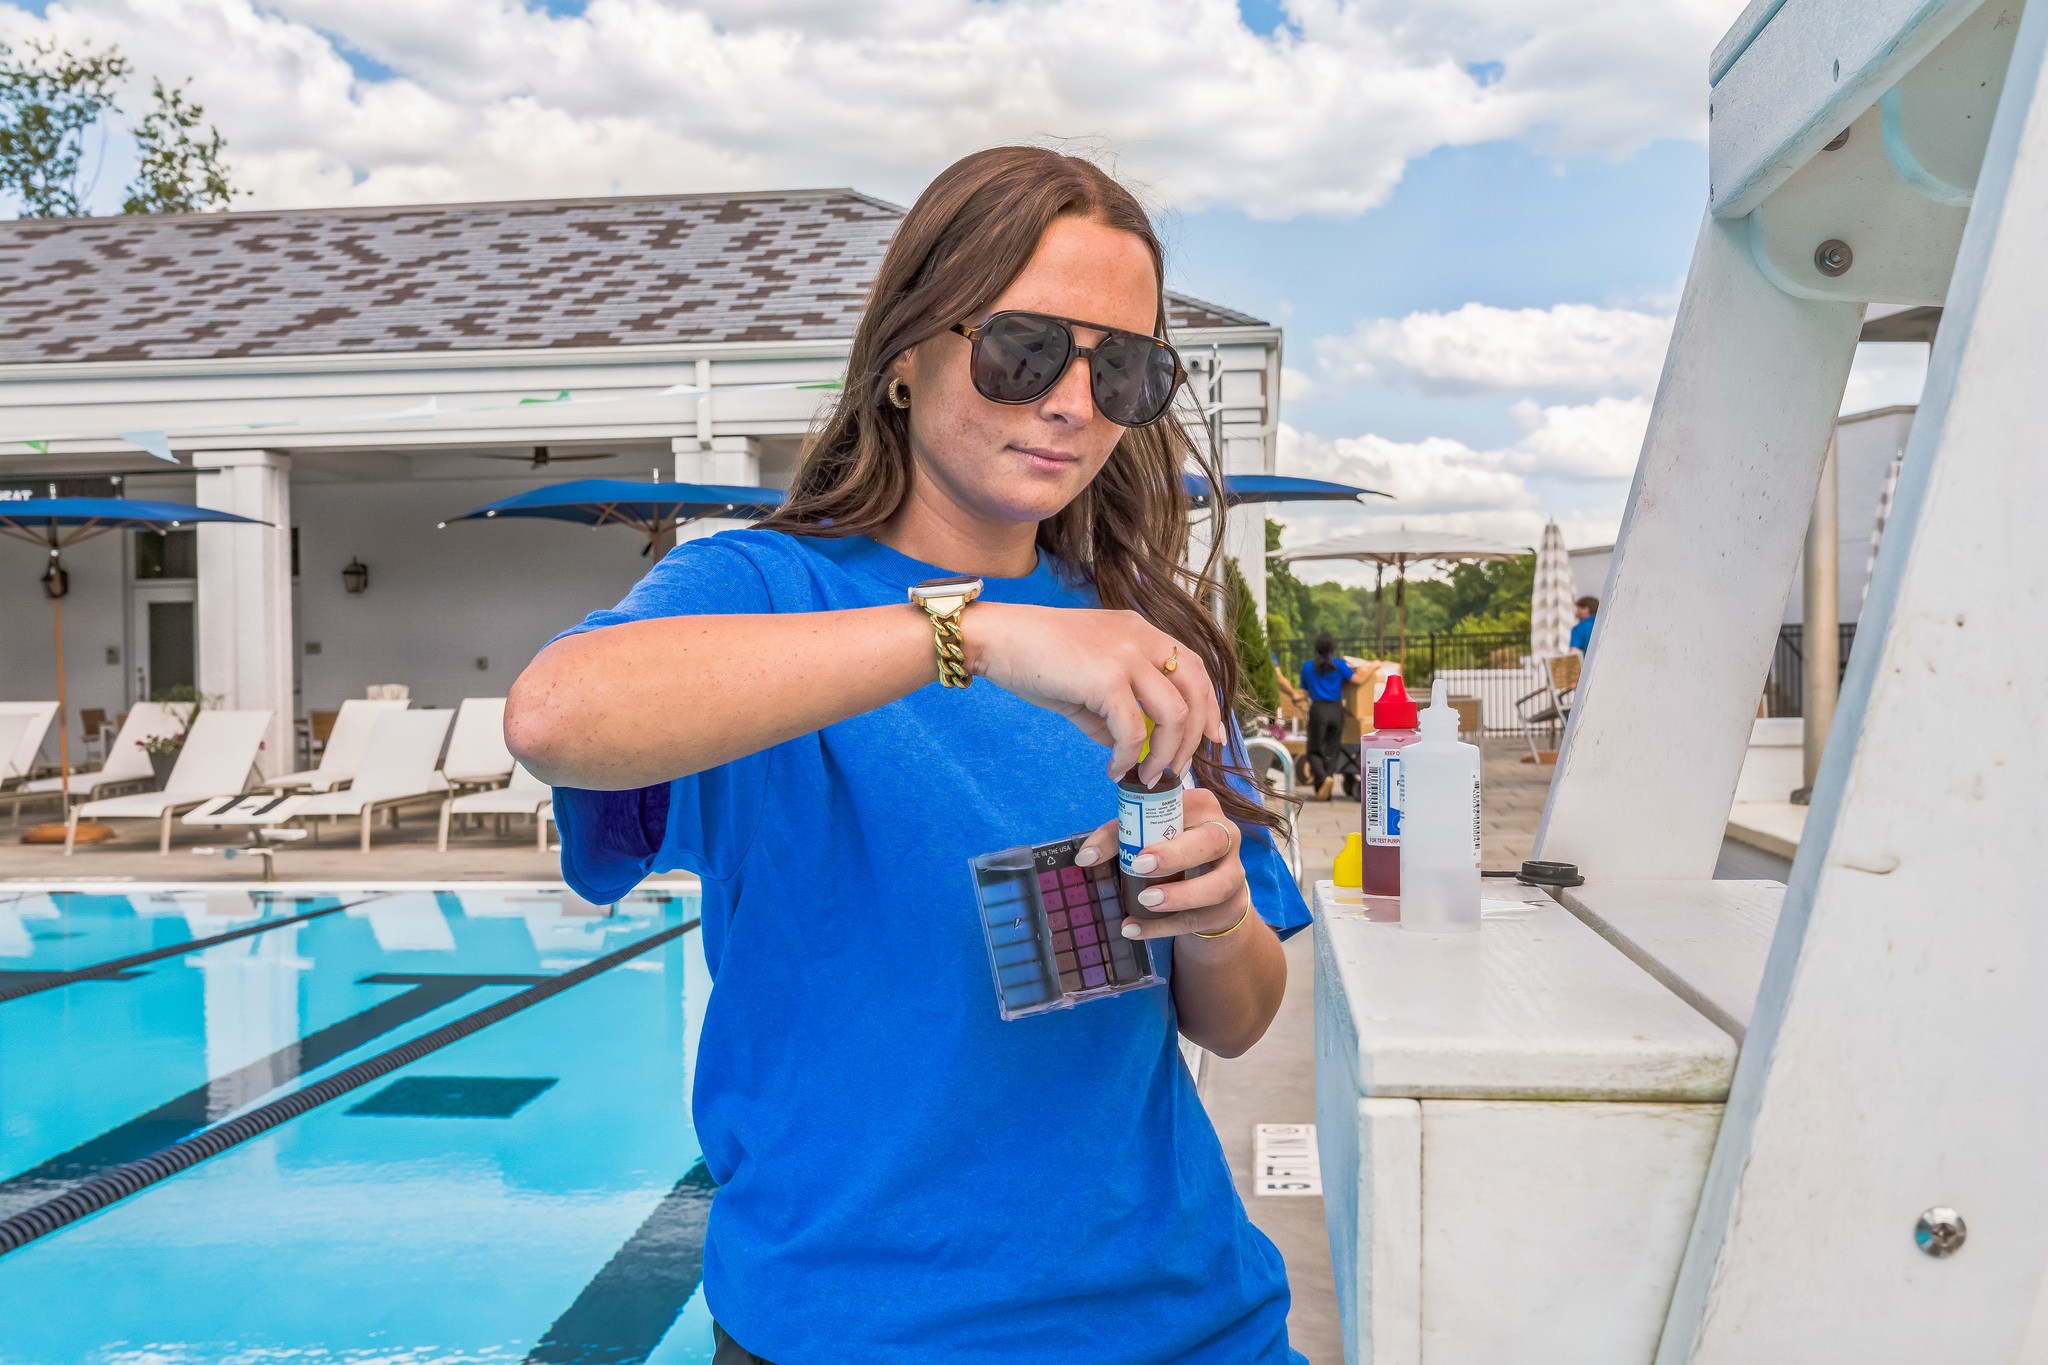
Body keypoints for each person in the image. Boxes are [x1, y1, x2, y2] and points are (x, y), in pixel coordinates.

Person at [507, 147, 1310, 1365]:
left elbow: (1239, 1019)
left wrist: (1211, 919)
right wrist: (970, 629)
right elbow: (556, 716)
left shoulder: (1138, 632)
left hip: (1188, 1322)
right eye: (1025, 349)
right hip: (855, 1331)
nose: (1072, 402)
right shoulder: (765, 589)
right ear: (904, 354)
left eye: (1127, 370)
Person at [1298, 632, 1353, 801]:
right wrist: (1373, 667)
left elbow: (1304, 692)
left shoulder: (1308, 667)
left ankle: (1324, 778)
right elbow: (1357, 678)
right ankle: (1326, 783)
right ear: (1332, 648)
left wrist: (1295, 697)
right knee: (1332, 749)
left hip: (1318, 710)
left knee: (1313, 750)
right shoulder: (1339, 665)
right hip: (1337, 710)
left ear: (1316, 648)